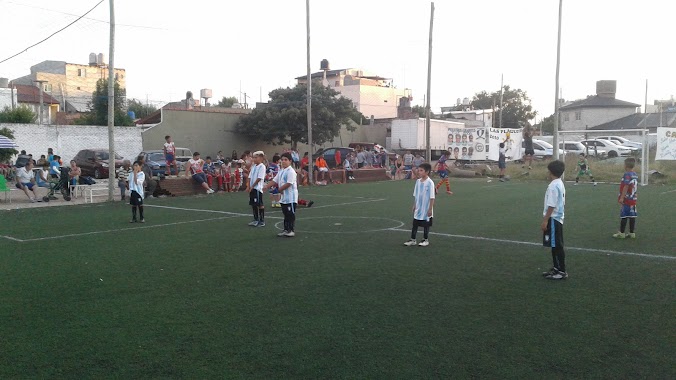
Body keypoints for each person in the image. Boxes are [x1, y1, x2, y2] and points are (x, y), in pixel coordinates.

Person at [541, 160, 567, 280]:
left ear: (550, 172)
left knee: (556, 245)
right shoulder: (559, 183)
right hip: (558, 218)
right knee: (554, 244)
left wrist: (545, 220)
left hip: (553, 218)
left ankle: (561, 271)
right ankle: (557, 268)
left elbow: (551, 205)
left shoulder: (553, 186)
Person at [264, 152, 298, 237]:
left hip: (291, 198)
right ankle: (286, 229)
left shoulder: (291, 171)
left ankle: (291, 230)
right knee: (285, 214)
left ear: (290, 161)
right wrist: (266, 186)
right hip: (284, 198)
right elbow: (275, 180)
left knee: (290, 214)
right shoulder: (281, 171)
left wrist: (279, 189)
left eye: (285, 160)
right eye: (282, 160)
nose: (283, 161)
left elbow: (289, 183)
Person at [403, 163, 435, 247]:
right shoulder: (417, 182)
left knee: (426, 225)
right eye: (419, 170)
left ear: (427, 172)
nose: (419, 172)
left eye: (421, 170)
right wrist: (414, 205)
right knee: (415, 224)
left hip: (426, 208)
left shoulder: (430, 183)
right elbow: (416, 195)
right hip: (418, 208)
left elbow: (432, 197)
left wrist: (430, 209)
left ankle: (425, 239)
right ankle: (413, 239)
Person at [613, 158, 638, 239]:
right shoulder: (634, 174)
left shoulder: (627, 174)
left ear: (626, 166)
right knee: (632, 215)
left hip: (627, 198)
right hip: (633, 198)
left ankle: (622, 233)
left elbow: (626, 186)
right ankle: (632, 233)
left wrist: (622, 197)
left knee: (624, 215)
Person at [246, 151, 267, 227]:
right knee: (253, 204)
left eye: (256, 157)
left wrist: (252, 186)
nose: (254, 159)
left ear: (261, 158)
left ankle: (262, 221)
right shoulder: (254, 166)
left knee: (259, 204)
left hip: (257, 188)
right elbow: (249, 176)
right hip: (252, 188)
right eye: (253, 157)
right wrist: (248, 186)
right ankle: (255, 219)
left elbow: (259, 178)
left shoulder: (262, 166)